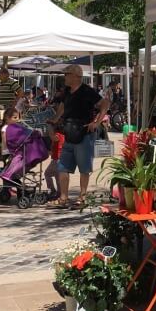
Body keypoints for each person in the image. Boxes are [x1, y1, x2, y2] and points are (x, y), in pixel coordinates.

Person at [50, 65, 109, 210]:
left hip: (84, 135)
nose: (65, 77)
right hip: (68, 134)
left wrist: (96, 122)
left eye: (67, 74)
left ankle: (82, 198)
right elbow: (63, 106)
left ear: (77, 76)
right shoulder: (67, 92)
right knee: (62, 167)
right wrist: (55, 119)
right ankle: (63, 197)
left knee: (84, 168)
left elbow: (105, 104)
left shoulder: (87, 91)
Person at [43, 122, 65, 201]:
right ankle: (59, 193)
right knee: (57, 177)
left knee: (47, 173)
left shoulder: (58, 135)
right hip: (59, 159)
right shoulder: (63, 135)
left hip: (57, 160)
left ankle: (52, 190)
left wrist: (49, 128)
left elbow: (53, 138)